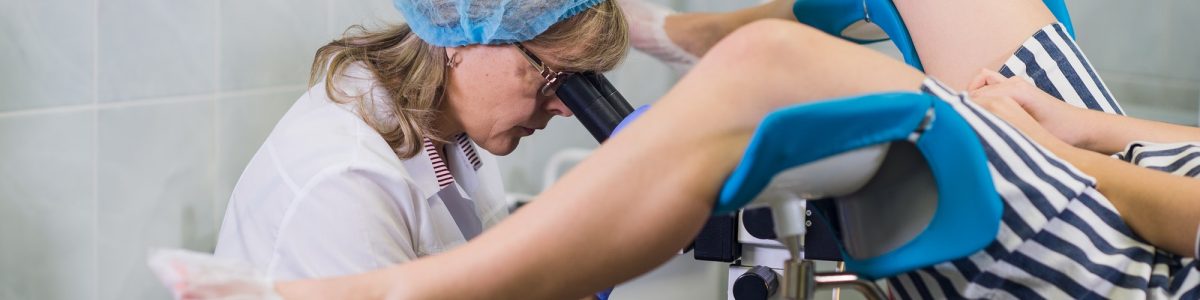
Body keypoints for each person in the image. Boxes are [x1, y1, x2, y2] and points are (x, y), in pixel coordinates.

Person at [154, 1, 1200, 299]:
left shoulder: (417, 142)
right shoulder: (346, 173)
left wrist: (1068, 157)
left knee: (770, 66)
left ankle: (395, 299)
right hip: (1132, 169)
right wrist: (1090, 129)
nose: (563, 109)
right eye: (555, 77)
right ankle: (667, 28)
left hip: (1128, 239)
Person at [211, 0, 629, 281]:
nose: (567, 108)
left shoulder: (453, 133)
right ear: (466, 39)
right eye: (554, 78)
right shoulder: (346, 183)